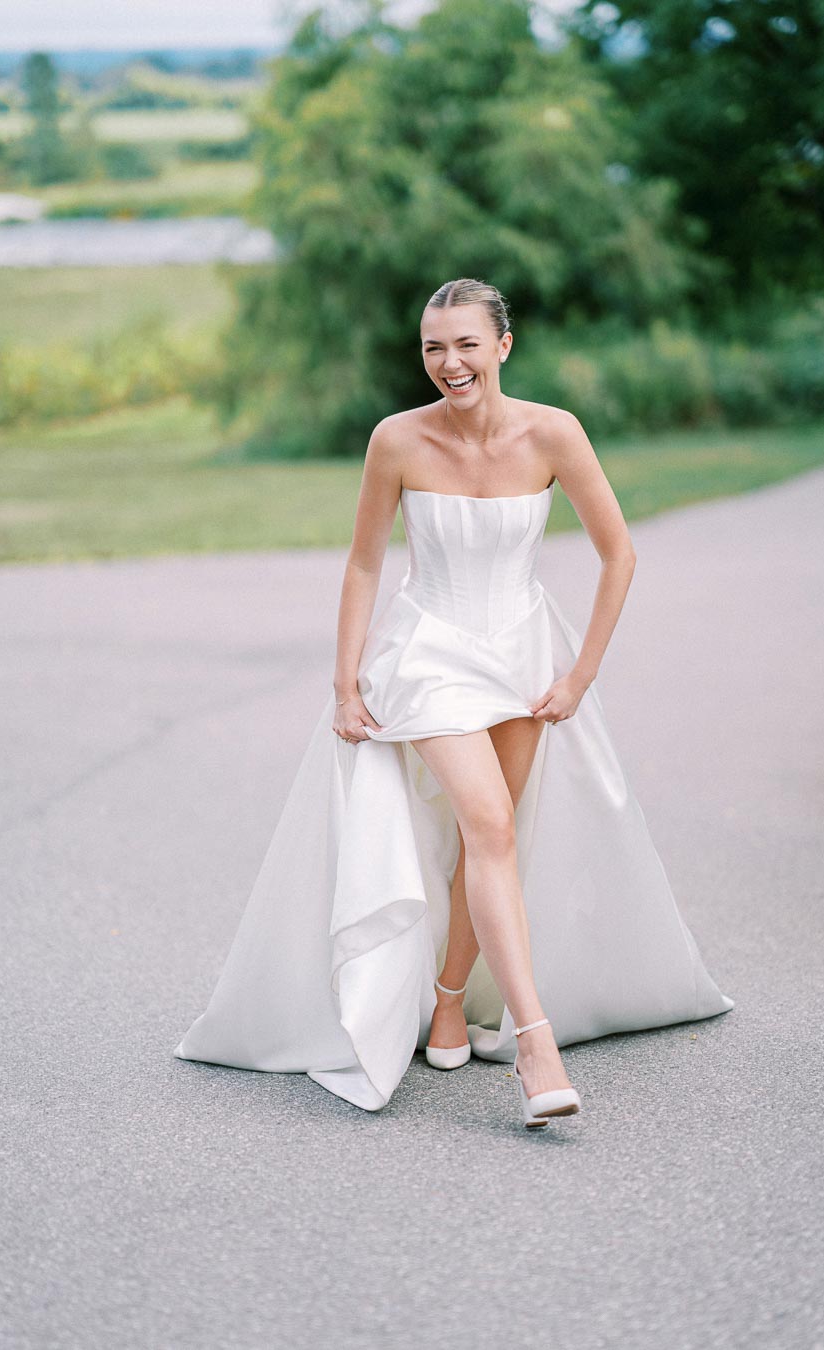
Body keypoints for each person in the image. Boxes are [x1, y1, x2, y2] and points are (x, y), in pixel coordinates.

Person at [174, 277, 733, 1128]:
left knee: (488, 836)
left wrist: (579, 674)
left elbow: (619, 555)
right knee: (490, 821)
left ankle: (445, 1001)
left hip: (522, 652)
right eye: (435, 346)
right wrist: (345, 680)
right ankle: (536, 1047)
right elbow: (365, 563)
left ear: (502, 346)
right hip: (429, 654)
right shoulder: (397, 440)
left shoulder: (555, 434)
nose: (449, 362)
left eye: (467, 343)